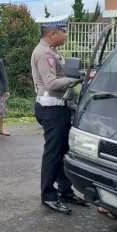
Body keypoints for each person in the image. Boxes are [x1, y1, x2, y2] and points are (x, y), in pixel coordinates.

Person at [30, 17, 86, 215]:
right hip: (51, 109)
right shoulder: (44, 53)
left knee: (62, 151)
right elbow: (52, 83)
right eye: (64, 31)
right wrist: (77, 79)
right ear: (52, 33)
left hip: (58, 107)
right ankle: (48, 195)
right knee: (53, 153)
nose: (67, 34)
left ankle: (65, 191)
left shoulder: (51, 51)